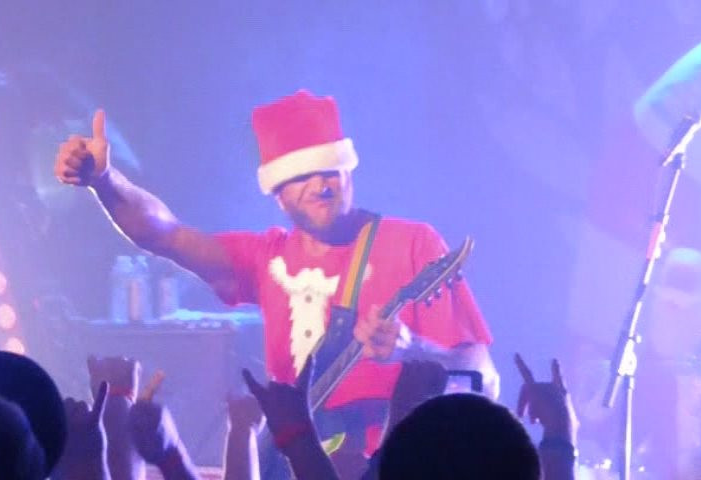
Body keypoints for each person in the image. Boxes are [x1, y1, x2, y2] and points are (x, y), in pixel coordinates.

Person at [54, 89, 496, 473]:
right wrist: (105, 182)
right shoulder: (267, 257)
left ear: (349, 170)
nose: (321, 185)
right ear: (278, 194)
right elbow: (164, 235)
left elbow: (484, 377)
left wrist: (413, 350)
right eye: (301, 175)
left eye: (330, 169)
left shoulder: (413, 244)